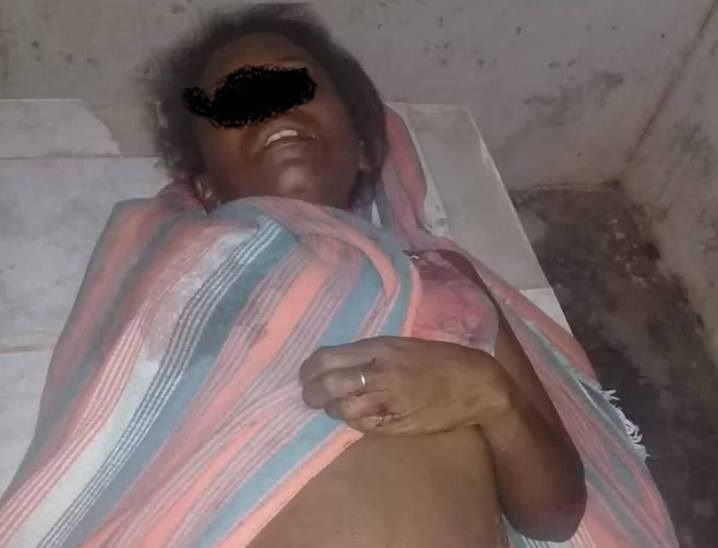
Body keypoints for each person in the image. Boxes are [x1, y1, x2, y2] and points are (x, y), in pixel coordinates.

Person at [147, 4, 586, 546]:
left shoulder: (440, 279)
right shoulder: (188, 275)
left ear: (360, 148)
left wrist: (488, 393)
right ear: (207, 189)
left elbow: (556, 517)